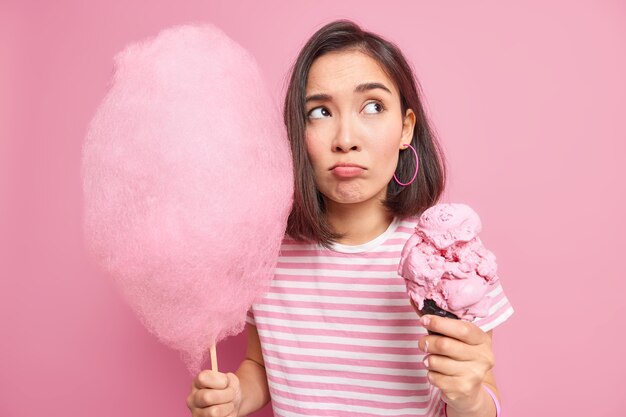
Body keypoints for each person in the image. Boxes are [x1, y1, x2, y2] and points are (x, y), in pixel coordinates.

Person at [187, 19, 513, 417]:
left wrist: (469, 397)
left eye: (372, 107)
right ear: (298, 133)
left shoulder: (450, 260)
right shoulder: (265, 255)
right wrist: (237, 397)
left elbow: (483, 399)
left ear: (406, 128)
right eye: (320, 112)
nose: (345, 138)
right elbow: (261, 366)